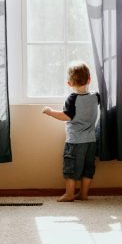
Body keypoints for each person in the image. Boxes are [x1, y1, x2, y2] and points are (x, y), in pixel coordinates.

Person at [42, 61, 100, 202]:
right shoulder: (96, 96)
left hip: (75, 141)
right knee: (88, 168)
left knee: (71, 168)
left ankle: (69, 194)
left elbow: (66, 116)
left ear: (69, 84)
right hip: (91, 140)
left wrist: (50, 112)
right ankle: (84, 194)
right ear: (89, 79)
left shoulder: (72, 98)